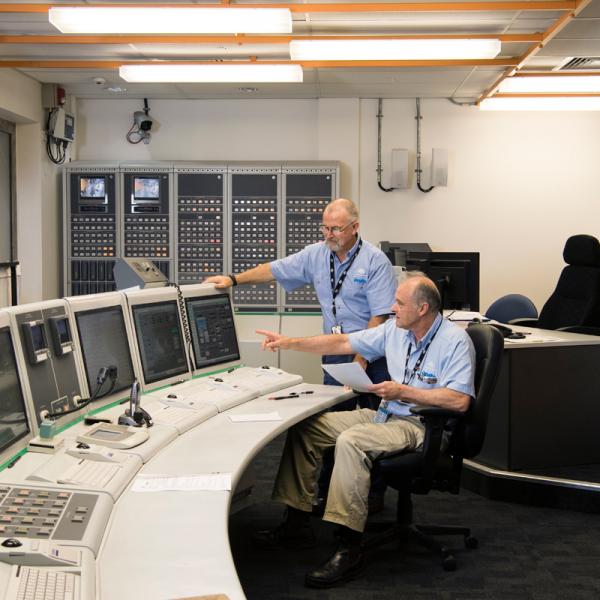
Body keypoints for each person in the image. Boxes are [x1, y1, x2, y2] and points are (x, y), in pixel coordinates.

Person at [253, 273, 476, 588]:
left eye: (399, 302)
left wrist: (404, 392)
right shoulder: (394, 330)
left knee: (352, 441)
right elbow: (343, 341)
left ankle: (348, 546)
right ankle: (296, 523)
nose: (392, 307)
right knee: (308, 428)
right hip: (385, 414)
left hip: (421, 424)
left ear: (423, 308)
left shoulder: (454, 341)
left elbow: (459, 401)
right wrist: (289, 342)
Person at [205, 198, 397, 395]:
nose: (329, 235)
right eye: (325, 228)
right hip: (334, 351)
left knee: (373, 417)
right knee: (335, 413)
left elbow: (379, 317)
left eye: (336, 229)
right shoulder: (316, 254)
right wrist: (233, 280)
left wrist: (362, 358)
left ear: (355, 227)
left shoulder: (375, 261)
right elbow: (273, 270)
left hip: (371, 353)